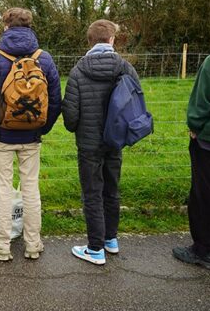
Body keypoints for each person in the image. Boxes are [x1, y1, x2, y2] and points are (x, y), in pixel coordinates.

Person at [0, 8, 61, 261]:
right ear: (30, 26)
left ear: (6, 26)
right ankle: (33, 244)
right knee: (31, 187)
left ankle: (1, 245)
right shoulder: (44, 58)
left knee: (3, 188)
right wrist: (42, 128)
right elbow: (55, 100)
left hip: (0, 135)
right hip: (32, 136)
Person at [62, 19, 141, 265]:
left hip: (89, 144)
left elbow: (70, 117)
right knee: (111, 190)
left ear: (89, 41)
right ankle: (111, 240)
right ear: (112, 40)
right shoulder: (125, 67)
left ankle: (95, 249)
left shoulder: (77, 71)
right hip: (115, 140)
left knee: (92, 193)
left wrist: (77, 127)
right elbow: (136, 104)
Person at [172, 54, 210, 270]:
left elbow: (202, 100)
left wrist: (195, 125)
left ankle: (204, 249)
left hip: (209, 142)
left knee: (204, 194)